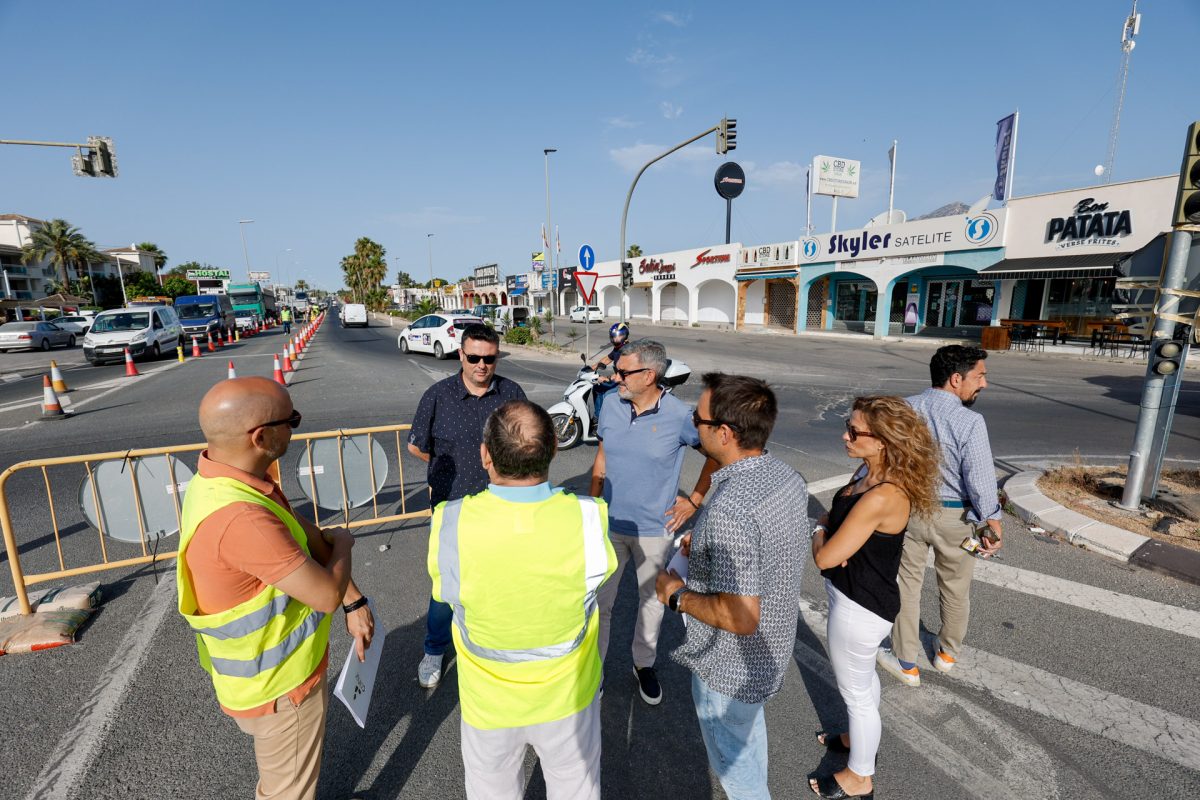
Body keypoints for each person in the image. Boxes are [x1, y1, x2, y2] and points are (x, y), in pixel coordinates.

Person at [177, 377, 374, 800]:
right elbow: (323, 592)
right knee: (287, 792)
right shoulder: (243, 519)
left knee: (281, 780)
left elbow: (302, 542)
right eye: (292, 420)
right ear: (261, 436)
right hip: (282, 688)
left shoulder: (222, 480)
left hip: (260, 680)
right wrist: (343, 543)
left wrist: (354, 600)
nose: (296, 428)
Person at [428, 400, 617, 799]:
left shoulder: (450, 520)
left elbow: (446, 593)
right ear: (553, 452)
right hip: (568, 699)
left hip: (488, 705)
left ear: (485, 456)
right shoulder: (589, 517)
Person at [655, 373, 808, 800]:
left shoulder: (729, 508)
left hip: (728, 668)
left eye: (697, 418)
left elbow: (740, 615)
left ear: (723, 433)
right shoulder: (785, 476)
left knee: (736, 773)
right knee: (747, 741)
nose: (692, 423)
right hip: (770, 652)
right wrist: (702, 546)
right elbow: (767, 549)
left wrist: (675, 595)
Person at [808, 396, 940, 800]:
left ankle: (860, 777)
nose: (844, 434)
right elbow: (841, 526)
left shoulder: (884, 493)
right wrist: (832, 528)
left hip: (859, 607)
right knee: (862, 685)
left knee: (857, 694)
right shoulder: (869, 470)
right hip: (859, 597)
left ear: (882, 440)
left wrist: (817, 529)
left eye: (853, 431)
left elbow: (826, 557)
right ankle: (853, 739)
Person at [590, 338, 717, 705]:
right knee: (600, 603)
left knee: (650, 602)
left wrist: (694, 501)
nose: (616, 377)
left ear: (649, 375)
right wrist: (592, 506)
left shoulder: (679, 416)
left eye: (623, 371)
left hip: (653, 531)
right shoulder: (612, 405)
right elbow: (601, 459)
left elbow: (715, 454)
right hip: (609, 525)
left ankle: (643, 664)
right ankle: (593, 670)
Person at [408, 323, 526, 688]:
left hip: (503, 507)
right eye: (473, 357)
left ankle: (495, 642)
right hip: (451, 507)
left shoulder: (511, 392)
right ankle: (435, 648)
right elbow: (417, 445)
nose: (481, 365)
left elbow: (526, 441)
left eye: (489, 359)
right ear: (460, 354)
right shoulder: (437, 396)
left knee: (500, 579)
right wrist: (451, 469)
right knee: (446, 587)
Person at [877, 345, 1003, 687]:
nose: (984, 385)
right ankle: (946, 654)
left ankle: (905, 662)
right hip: (956, 519)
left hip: (908, 511)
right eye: (980, 376)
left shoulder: (903, 409)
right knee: (956, 587)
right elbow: (978, 478)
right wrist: (991, 518)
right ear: (956, 378)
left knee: (906, 586)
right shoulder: (970, 421)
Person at [590, 322, 629, 418]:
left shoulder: (626, 350)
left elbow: (625, 371)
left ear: (624, 336)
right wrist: (590, 368)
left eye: (618, 336)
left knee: (607, 394)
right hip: (619, 379)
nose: (615, 339)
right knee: (597, 388)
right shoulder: (617, 349)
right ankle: (597, 416)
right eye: (614, 337)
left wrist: (608, 378)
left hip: (626, 382)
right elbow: (607, 359)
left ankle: (602, 420)